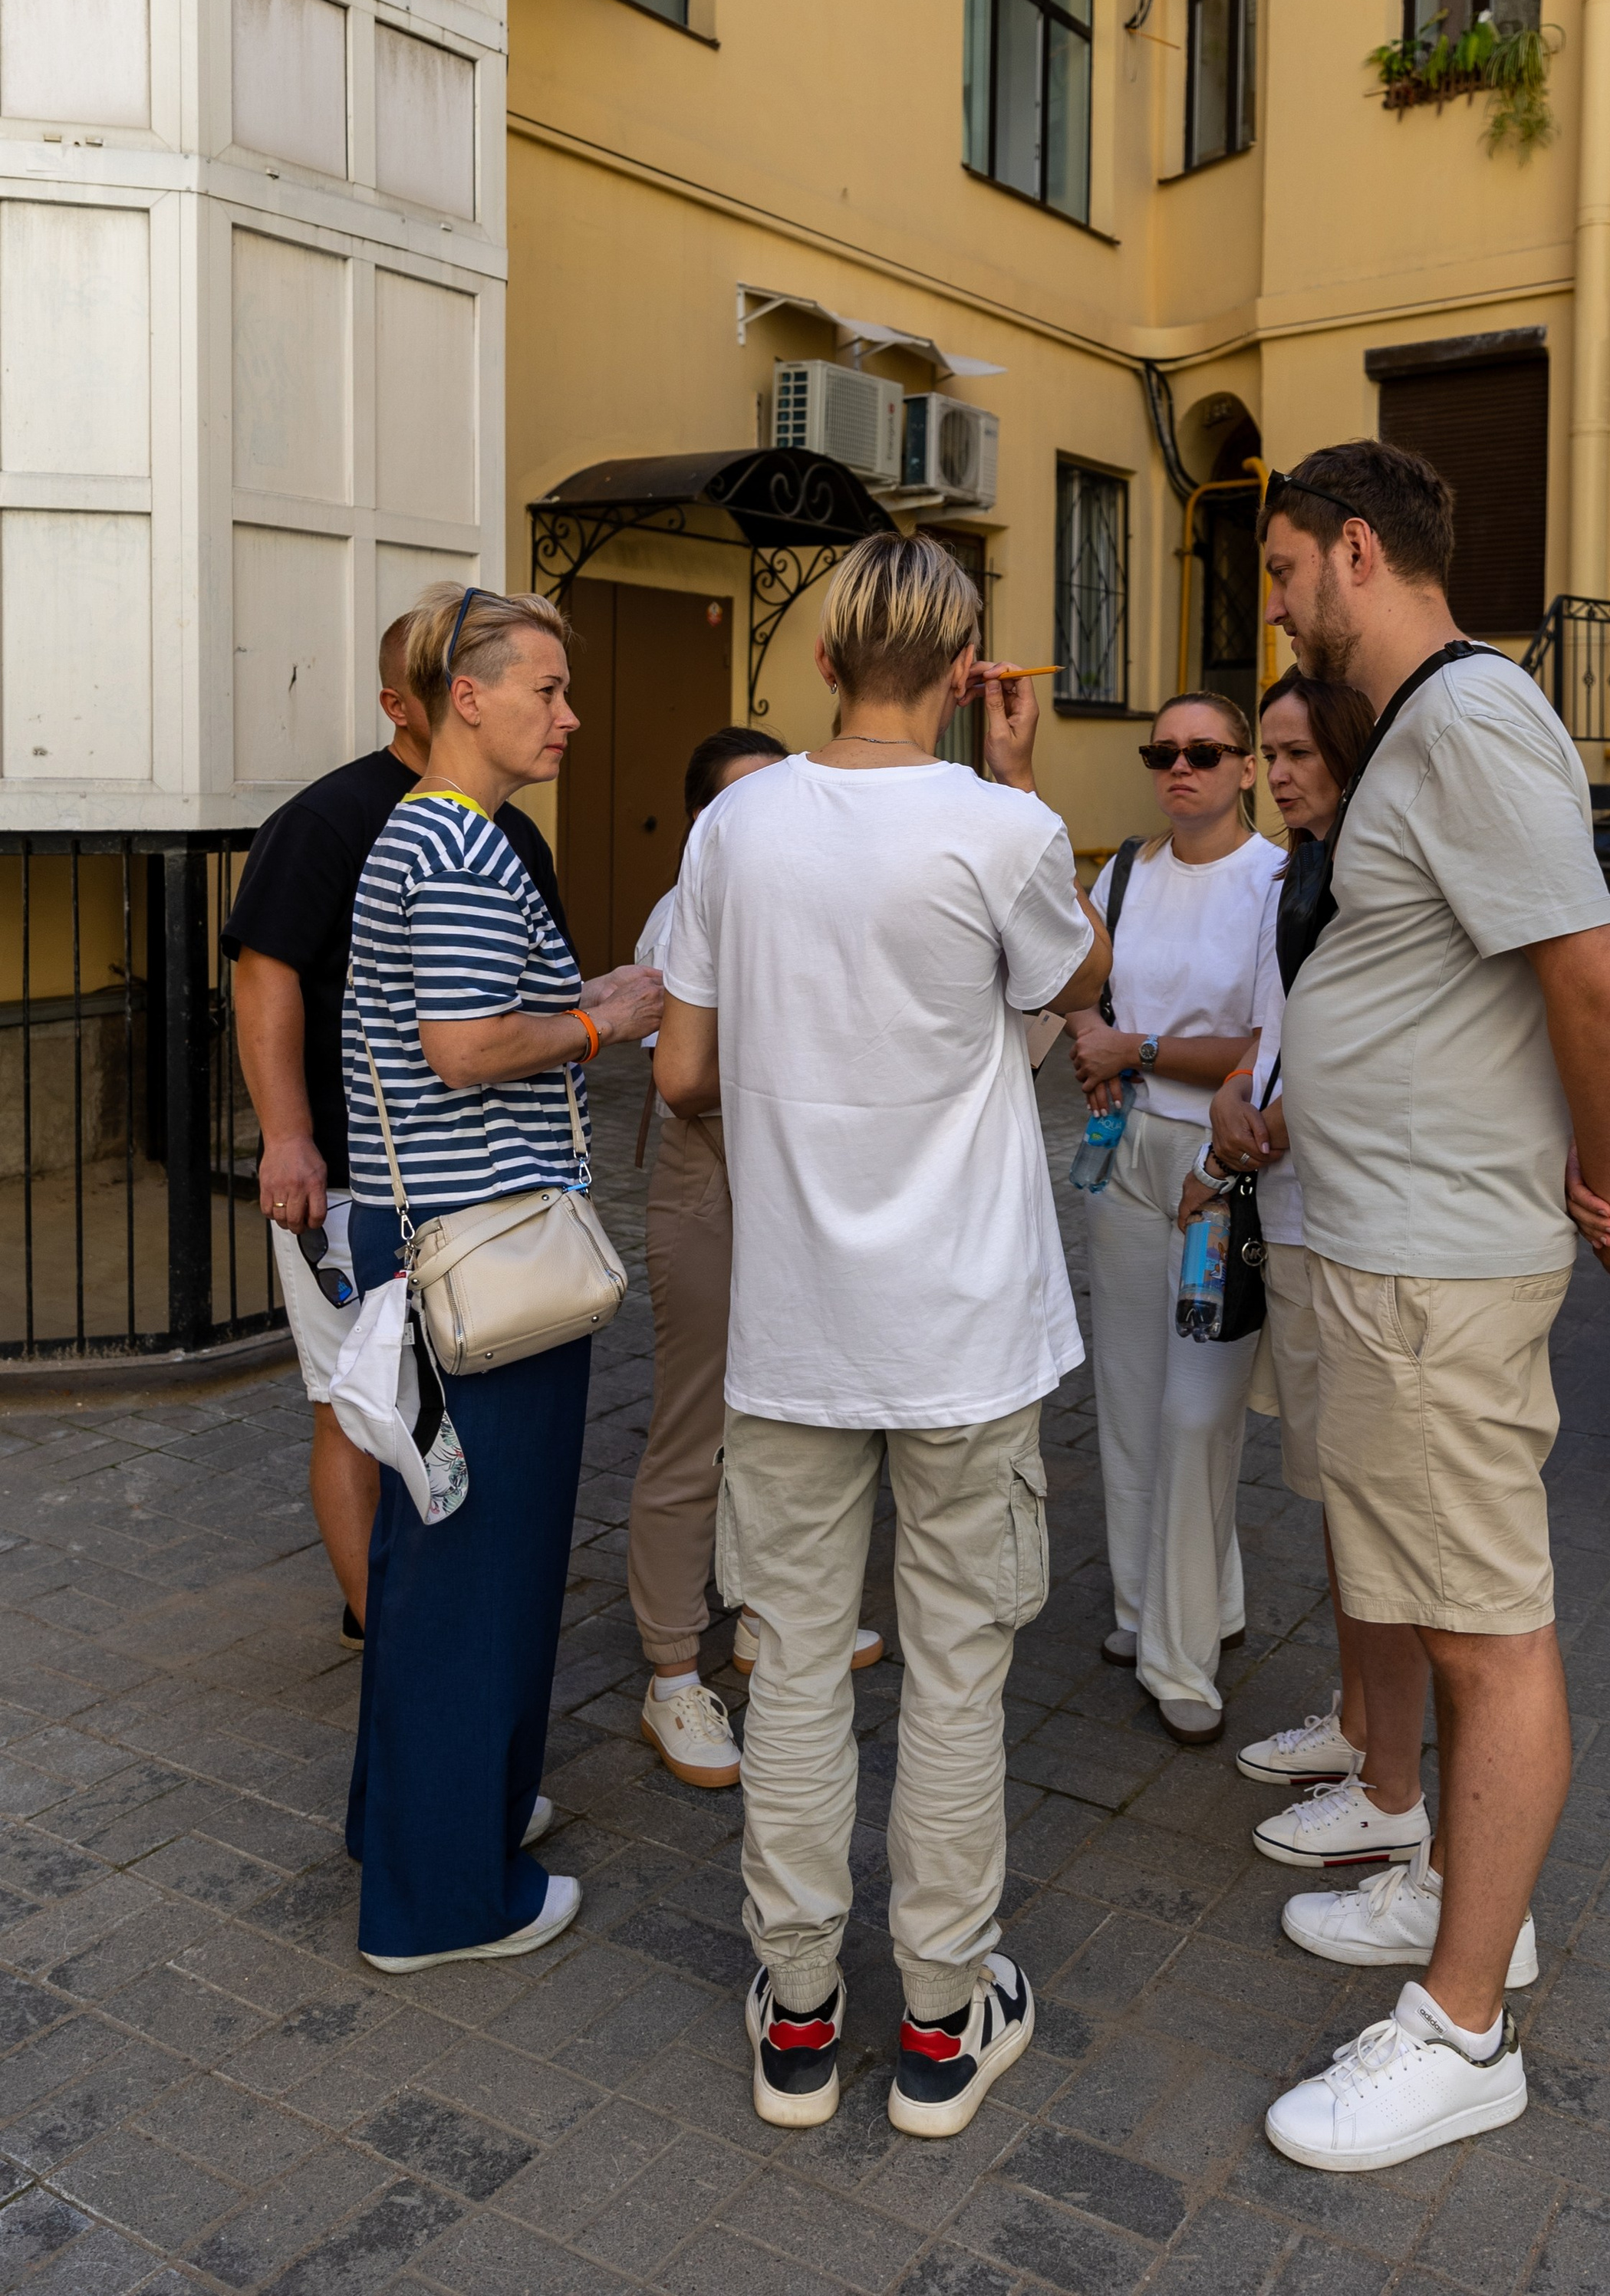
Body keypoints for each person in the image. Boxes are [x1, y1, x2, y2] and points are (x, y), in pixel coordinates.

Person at [1246, 442, 1610, 2176]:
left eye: (1282, 568)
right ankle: (1453, 1893)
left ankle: (1463, 2027)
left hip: (1435, 1269)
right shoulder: (1435, 729)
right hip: (1388, 1255)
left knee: (1488, 1637)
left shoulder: (1471, 720)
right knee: (1435, 1606)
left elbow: (1604, 988)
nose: (1272, 601)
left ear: (1358, 551)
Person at [655, 532, 1110, 2138]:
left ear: (826, 656)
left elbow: (680, 1076)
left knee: (786, 1675)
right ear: (967, 661)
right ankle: (937, 2024)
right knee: (957, 1675)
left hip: (795, 1330)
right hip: (967, 1329)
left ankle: (794, 2018)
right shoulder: (1008, 829)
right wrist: (1015, 783)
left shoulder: (737, 824)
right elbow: (1073, 983)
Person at [342, 582, 663, 1972]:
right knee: (479, 1571)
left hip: (436, 1248)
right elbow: (465, 1049)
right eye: (546, 687)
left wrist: (567, 1004)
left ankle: (422, 1825)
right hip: (485, 1261)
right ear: (467, 697)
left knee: (436, 1559)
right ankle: (445, 1904)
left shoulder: (416, 832)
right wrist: (603, 1018)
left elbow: (458, 1026)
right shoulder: (465, 844)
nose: (569, 713)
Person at [225, 613, 570, 1646]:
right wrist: (288, 1135)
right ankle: (387, 1637)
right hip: (351, 1176)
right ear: (414, 704)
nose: (558, 718)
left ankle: (424, 1625)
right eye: (538, 691)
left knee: (440, 1419)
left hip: (470, 1194)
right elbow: (264, 972)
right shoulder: (332, 818)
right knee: (357, 1404)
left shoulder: (505, 826)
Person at [626, 723, 887, 1788]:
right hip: (715, 1182)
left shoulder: (810, 901)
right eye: (742, 803)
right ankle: (670, 1670)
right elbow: (682, 1081)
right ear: (702, 824)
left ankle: (758, 1619)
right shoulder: (684, 914)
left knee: (782, 1415)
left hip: (798, 1188)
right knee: (696, 1425)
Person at [1174, 670, 1384, 1795]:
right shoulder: (1294, 875)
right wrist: (1233, 1097)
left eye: (1302, 754)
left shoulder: (1372, 871)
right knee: (1333, 1492)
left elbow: (1363, 1044)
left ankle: (1377, 1752)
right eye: (1281, 752)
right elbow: (1274, 1024)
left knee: (1367, 1500)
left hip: (1350, 1215)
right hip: (1290, 1215)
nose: (1286, 774)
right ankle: (1357, 1723)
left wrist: (1255, 1133)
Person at [1062, 692, 1276, 1745]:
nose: (1180, 768)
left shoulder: (1277, 882)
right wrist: (1094, 1041)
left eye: (1205, 752)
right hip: (1132, 1155)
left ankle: (1183, 1659)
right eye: (1164, 752)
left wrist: (1134, 1049)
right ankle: (1161, 1608)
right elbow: (1082, 983)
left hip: (1223, 1168)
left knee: (1199, 1411)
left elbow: (1266, 1047)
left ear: (1246, 768)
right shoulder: (1123, 871)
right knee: (1132, 1396)